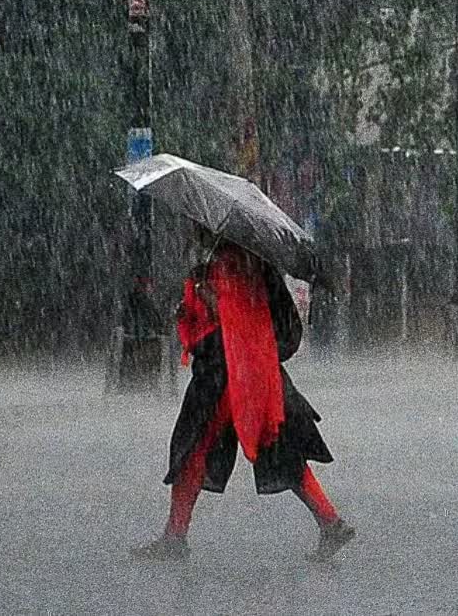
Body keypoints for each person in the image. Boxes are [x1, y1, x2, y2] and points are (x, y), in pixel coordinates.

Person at [131, 234, 355, 562]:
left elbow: (228, 322)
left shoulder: (228, 264)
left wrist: (207, 301)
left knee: (193, 449)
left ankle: (175, 537)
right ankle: (329, 520)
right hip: (260, 374)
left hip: (225, 376)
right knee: (281, 450)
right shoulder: (253, 265)